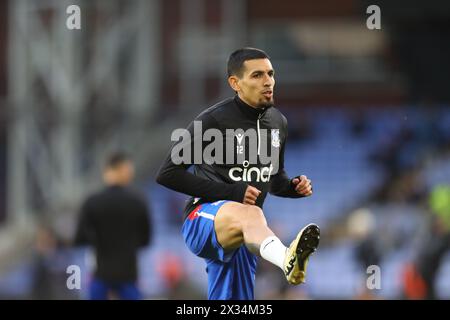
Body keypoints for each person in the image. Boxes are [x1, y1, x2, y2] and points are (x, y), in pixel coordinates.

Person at [156, 48, 320, 300]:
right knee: (252, 213)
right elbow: (168, 173)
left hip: (246, 231)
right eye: (257, 75)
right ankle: (286, 258)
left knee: (235, 301)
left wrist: (292, 187)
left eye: (270, 73)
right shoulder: (212, 120)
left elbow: (274, 179)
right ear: (235, 83)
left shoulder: (278, 123)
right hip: (203, 219)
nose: (268, 81)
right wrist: (230, 192)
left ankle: (283, 258)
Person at [75, 152, 152, 300]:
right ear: (123, 170)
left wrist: (100, 241)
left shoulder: (92, 202)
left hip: (101, 275)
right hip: (128, 276)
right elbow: (146, 240)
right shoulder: (138, 202)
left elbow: (80, 238)